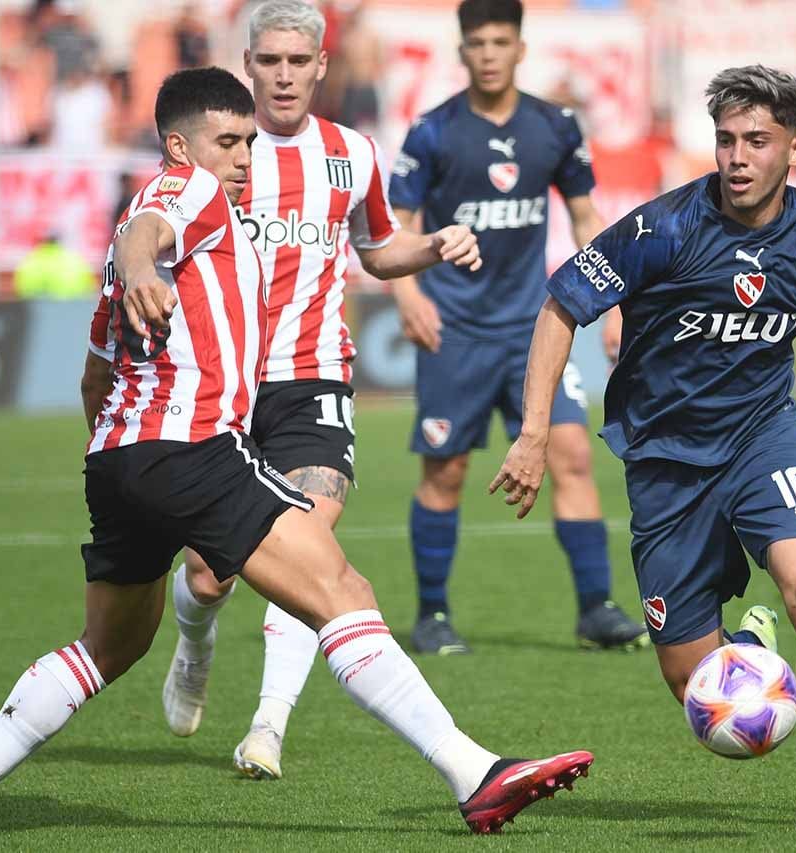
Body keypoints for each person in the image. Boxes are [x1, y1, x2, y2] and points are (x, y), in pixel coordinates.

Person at [0, 66, 591, 841]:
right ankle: (476, 773)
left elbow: (96, 372)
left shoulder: (139, 235)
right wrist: (140, 269)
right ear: (177, 145)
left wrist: (121, 456)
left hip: (118, 459)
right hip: (192, 447)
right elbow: (146, 236)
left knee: (110, 644)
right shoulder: (182, 192)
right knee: (342, 587)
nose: (243, 158)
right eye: (228, 142)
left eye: (249, 143)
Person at [491, 63, 796, 833]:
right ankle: (745, 643)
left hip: (764, 438)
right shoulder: (662, 228)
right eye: (726, 139)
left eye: (756, 140)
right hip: (665, 461)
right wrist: (532, 434)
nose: (735, 155)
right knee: (698, 689)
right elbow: (560, 307)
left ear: (795, 148)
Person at [143, 0, 491, 783]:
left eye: (299, 61)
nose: (285, 75)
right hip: (221, 384)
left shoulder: (352, 154)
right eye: (269, 61)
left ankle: (268, 724)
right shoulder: (217, 156)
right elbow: (158, 230)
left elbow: (377, 247)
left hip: (313, 377)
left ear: (323, 65)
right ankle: (194, 639)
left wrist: (432, 245)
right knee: (210, 573)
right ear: (248, 63)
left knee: (310, 544)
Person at [387, 0, 646, 655]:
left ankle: (596, 608)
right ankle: (432, 614)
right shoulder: (433, 132)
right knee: (444, 472)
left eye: (502, 41)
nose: (490, 53)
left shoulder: (555, 127)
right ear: (462, 50)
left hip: (534, 331)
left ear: (521, 48)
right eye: (478, 42)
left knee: (572, 455)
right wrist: (408, 294)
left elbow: (588, 219)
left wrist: (614, 302)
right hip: (455, 332)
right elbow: (398, 229)